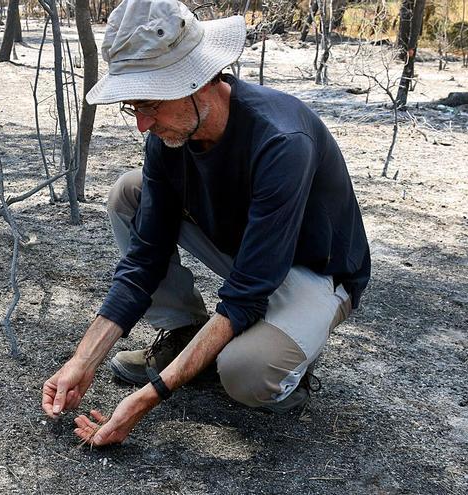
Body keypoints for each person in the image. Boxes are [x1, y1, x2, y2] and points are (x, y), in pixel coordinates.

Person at [41, 0, 371, 447]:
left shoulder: (280, 140)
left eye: (151, 104)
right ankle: (185, 333)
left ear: (198, 82)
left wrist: (145, 399)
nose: (142, 124)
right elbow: (144, 259)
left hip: (315, 270)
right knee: (129, 193)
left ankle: (285, 369)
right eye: (134, 107)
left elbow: (246, 294)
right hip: (248, 252)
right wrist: (83, 360)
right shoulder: (169, 135)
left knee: (245, 375)